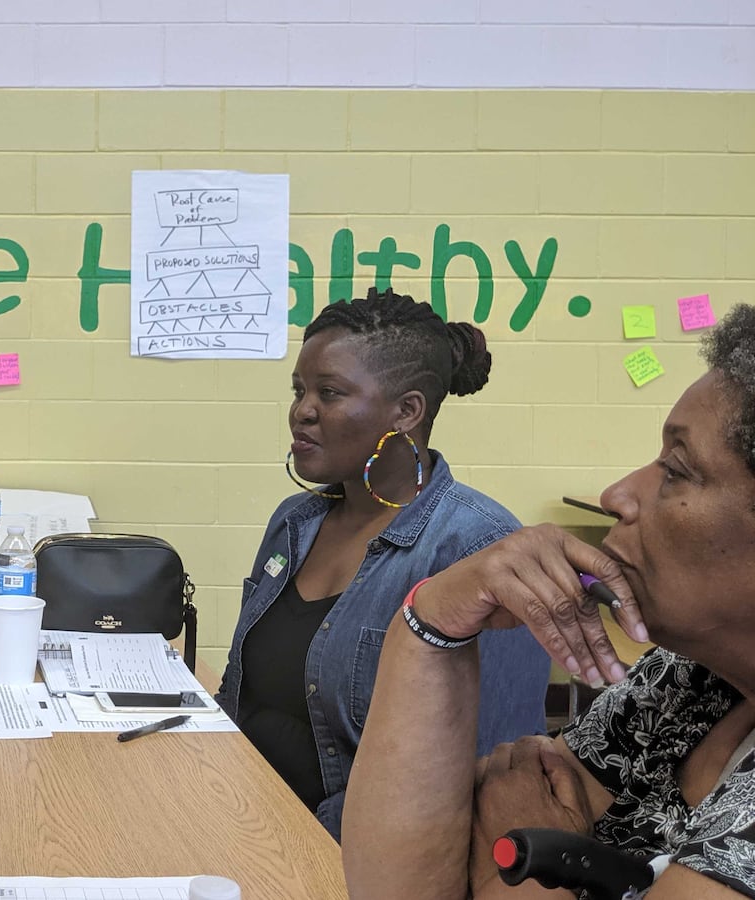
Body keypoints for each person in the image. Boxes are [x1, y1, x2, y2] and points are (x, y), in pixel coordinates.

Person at [344, 305, 755, 899]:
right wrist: (429, 625)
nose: (617, 495)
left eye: (676, 469)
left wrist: (527, 860)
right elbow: (397, 889)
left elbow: (512, 838)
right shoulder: (687, 683)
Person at [216, 288, 550, 840]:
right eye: (299, 390)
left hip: (347, 856)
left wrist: (300, 843)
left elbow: (488, 774)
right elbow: (240, 692)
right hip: (239, 816)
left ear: (407, 411)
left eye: (329, 392)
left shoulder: (479, 550)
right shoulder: (294, 522)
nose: (302, 410)